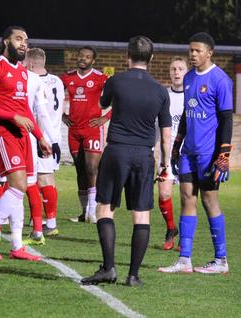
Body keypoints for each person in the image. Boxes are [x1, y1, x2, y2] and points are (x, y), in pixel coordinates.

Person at [81, 36, 171, 287]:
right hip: (144, 155)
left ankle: (109, 268)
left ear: (127, 56)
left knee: (104, 209)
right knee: (141, 215)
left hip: (117, 151)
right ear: (151, 59)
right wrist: (165, 165)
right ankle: (133, 275)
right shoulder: (160, 91)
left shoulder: (115, 82)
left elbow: (101, 104)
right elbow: (165, 136)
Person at [0, 25, 51, 261]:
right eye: (18, 39)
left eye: (26, 40)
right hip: (2, 132)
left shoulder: (23, 73)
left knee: (22, 187)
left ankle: (17, 246)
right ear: (6, 41)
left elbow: (25, 108)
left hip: (22, 135)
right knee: (16, 186)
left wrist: (40, 136)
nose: (23, 44)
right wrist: (12, 117)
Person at [158, 32, 233, 274]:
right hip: (189, 152)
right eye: (191, 50)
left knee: (209, 201)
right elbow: (187, 117)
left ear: (209, 53)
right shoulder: (189, 78)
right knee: (186, 199)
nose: (193, 54)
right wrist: (178, 144)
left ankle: (221, 260)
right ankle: (184, 260)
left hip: (209, 154)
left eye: (197, 50)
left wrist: (224, 155)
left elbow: (226, 120)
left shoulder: (220, 80)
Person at [60, 46, 109, 223]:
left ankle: (93, 211)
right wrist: (62, 115)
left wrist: (105, 118)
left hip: (93, 129)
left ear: (93, 61)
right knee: (80, 171)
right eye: (81, 55)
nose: (83, 59)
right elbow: (51, 97)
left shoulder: (101, 78)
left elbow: (118, 97)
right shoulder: (68, 77)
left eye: (87, 57)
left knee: (91, 169)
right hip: (74, 130)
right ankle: (83, 213)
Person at [23, 48, 64, 237]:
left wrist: (42, 139)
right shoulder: (57, 81)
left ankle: (51, 222)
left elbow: (40, 113)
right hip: (54, 134)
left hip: (41, 138)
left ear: (30, 63)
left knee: (42, 179)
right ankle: (40, 218)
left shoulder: (33, 82)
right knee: (45, 179)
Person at [157, 57, 188, 250]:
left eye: (180, 69)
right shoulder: (163, 96)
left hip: (186, 153)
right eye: (173, 69)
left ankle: (185, 238)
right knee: (164, 194)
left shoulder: (191, 96)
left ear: (186, 72)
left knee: (187, 197)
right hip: (166, 152)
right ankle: (171, 229)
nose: (176, 72)